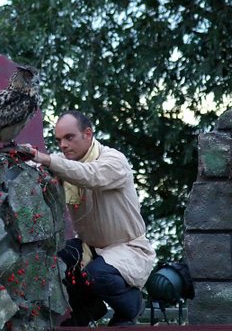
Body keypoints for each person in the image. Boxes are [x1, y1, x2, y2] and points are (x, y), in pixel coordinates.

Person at [24, 110, 156, 327]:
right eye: (59, 140)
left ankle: (131, 307)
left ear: (88, 134)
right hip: (89, 247)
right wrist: (23, 160)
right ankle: (87, 311)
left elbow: (90, 175)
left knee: (98, 274)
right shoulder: (64, 164)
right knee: (54, 260)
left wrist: (45, 159)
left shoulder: (114, 160)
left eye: (69, 137)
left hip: (127, 248)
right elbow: (48, 170)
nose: (63, 145)